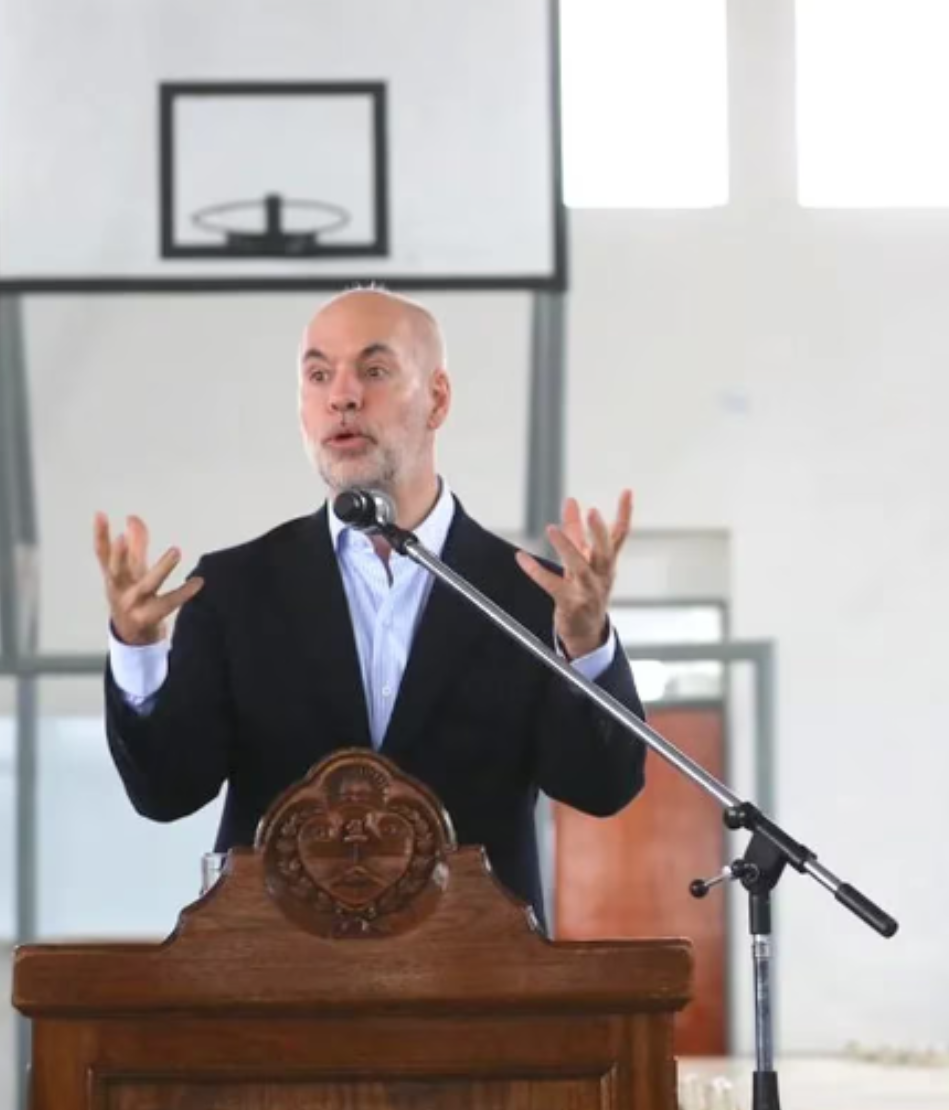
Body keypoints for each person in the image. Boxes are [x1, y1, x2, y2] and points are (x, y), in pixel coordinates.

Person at [91, 287, 647, 932]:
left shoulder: (528, 595)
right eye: (319, 374)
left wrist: (586, 646)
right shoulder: (237, 587)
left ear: (437, 399)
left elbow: (601, 788)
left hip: (476, 988)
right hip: (279, 989)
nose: (342, 396)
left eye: (374, 371)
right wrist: (137, 650)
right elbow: (167, 792)